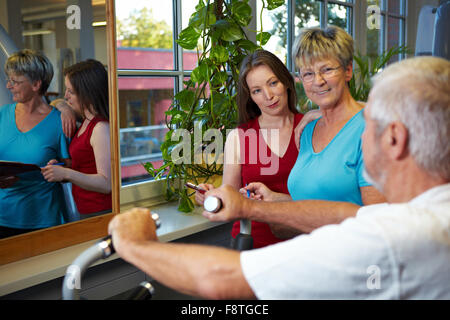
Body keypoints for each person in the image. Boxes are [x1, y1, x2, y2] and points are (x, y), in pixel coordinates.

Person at [108, 56, 450, 299]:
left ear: (394, 138)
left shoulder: (382, 238)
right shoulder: (416, 216)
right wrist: (251, 208)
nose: (356, 135)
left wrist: (134, 244)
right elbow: (349, 215)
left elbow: (219, 279)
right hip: (260, 238)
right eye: (257, 90)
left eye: (366, 125)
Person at [235, 26, 385, 236]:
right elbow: (314, 203)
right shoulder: (307, 131)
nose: (318, 81)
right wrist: (273, 200)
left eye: (327, 70)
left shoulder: (371, 131)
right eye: (308, 73)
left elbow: (377, 224)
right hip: (310, 258)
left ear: (348, 70)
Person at [194, 50, 319, 248]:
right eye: (257, 90)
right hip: (252, 245)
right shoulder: (239, 137)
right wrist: (212, 196)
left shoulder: (312, 128)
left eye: (273, 83)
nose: (268, 96)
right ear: (250, 96)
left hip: (305, 245)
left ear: (286, 81)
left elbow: (327, 200)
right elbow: (230, 197)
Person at [0, 49, 70, 238]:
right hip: (3, 217)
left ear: (36, 84)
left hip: (43, 219)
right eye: (9, 80)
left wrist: (58, 169)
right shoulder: (2, 115)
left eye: (15, 81)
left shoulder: (59, 122)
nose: (8, 86)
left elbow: (70, 169)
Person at [42, 59, 111, 219]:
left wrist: (66, 173)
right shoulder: (85, 121)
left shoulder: (100, 128)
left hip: (100, 211)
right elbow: (56, 101)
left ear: (87, 93)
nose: (66, 96)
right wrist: (62, 168)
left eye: (70, 91)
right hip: (86, 209)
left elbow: (106, 183)